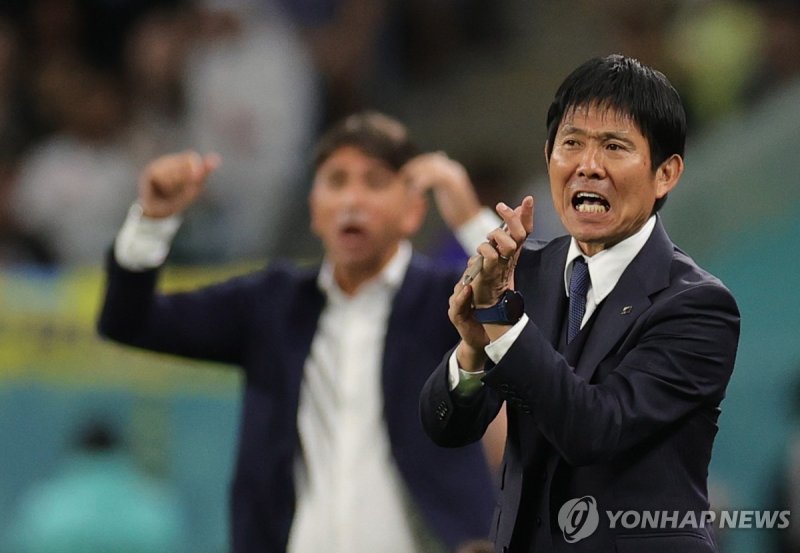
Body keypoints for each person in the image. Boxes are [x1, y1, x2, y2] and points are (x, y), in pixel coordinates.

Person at [97, 111, 499, 552]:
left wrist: (470, 220)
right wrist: (152, 222)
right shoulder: (271, 306)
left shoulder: (448, 304)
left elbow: (540, 325)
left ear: (413, 211)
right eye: (337, 180)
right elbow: (129, 321)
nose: (352, 200)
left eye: (375, 182)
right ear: (313, 209)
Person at [419, 54, 741, 553]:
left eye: (615, 147)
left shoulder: (698, 305)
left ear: (666, 173)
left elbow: (595, 429)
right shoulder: (526, 274)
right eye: (572, 144)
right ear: (549, 155)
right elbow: (446, 425)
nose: (588, 166)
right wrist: (470, 349)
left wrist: (503, 321)